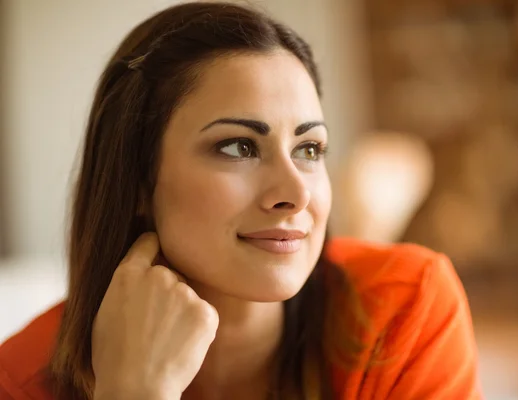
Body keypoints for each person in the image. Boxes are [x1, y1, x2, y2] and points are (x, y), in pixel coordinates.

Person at [0, 2, 481, 399]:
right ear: (138, 182)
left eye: (308, 150)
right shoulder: (21, 379)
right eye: (238, 147)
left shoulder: (405, 311)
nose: (296, 194)